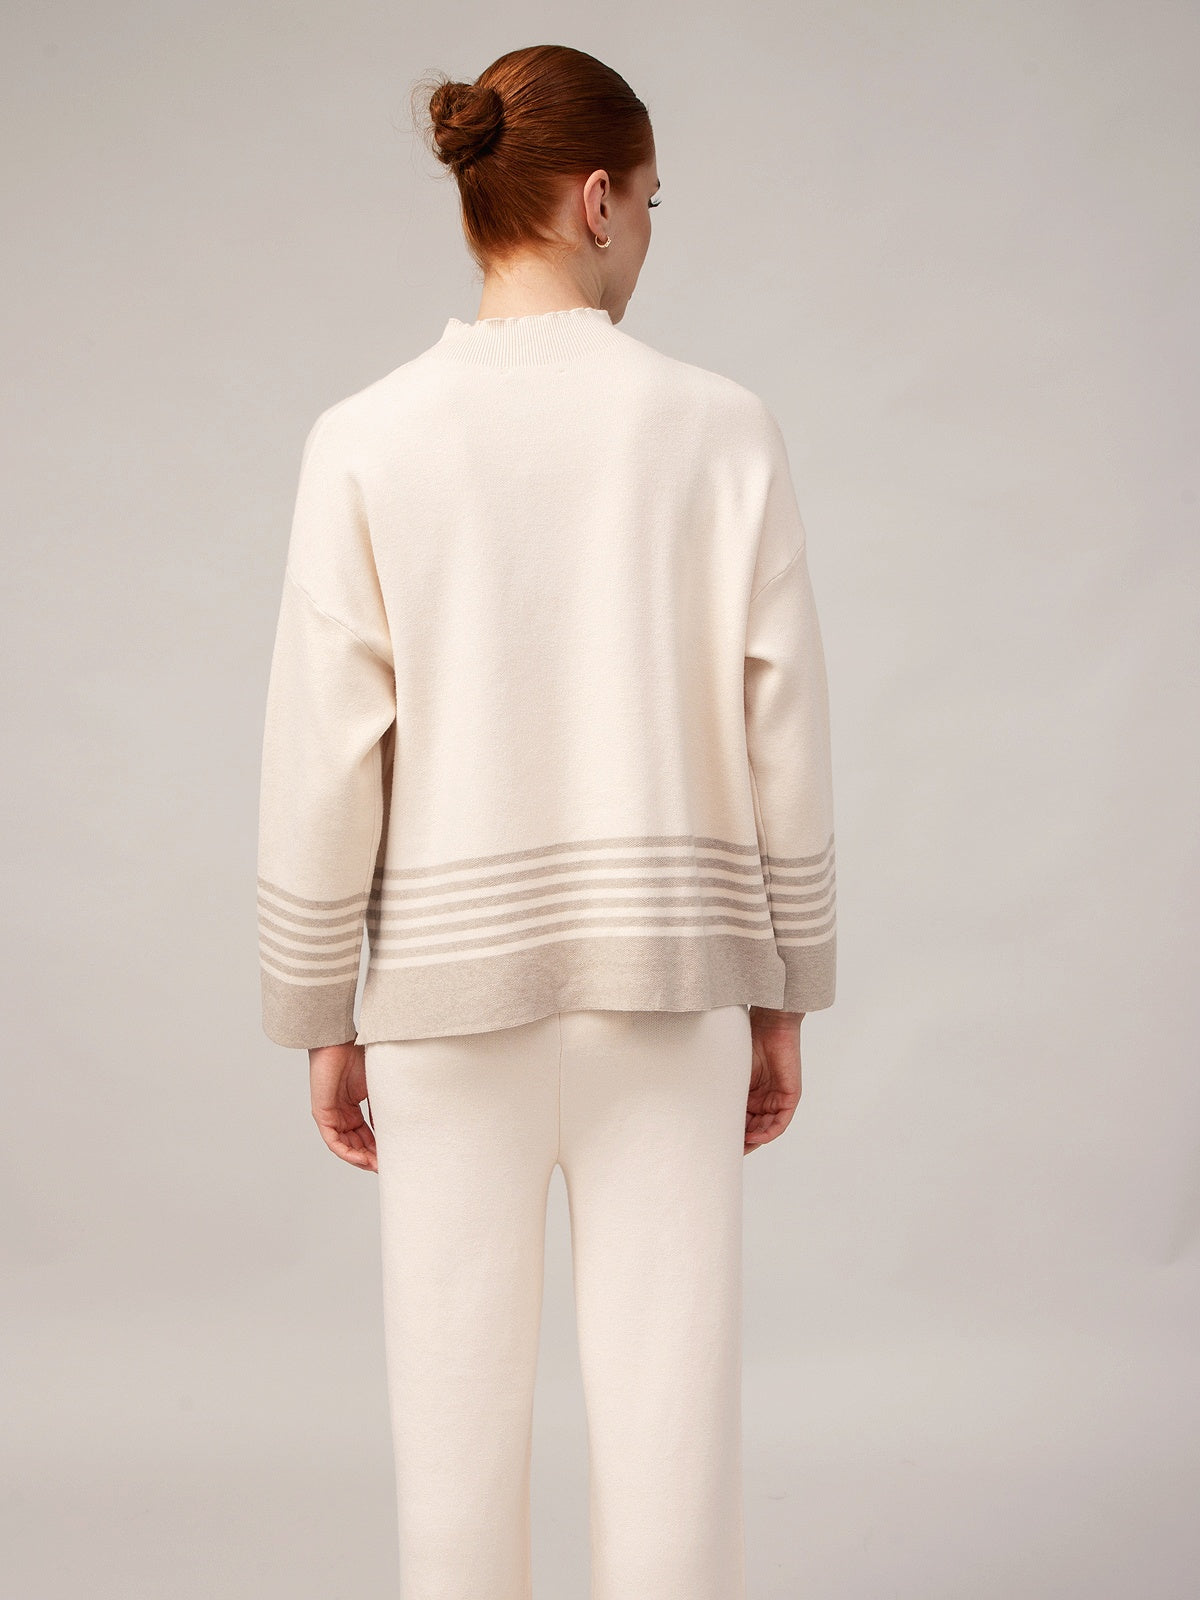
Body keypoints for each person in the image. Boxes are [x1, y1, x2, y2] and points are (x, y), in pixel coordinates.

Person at [255, 42, 837, 1600]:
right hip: (673, 998)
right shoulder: (723, 427)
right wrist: (786, 993)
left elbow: (324, 753)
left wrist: (322, 1014)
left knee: (452, 1455)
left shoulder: (365, 439)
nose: (647, 234)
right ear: (596, 201)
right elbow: (782, 725)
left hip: (445, 1012)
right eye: (650, 203)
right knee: (672, 1445)